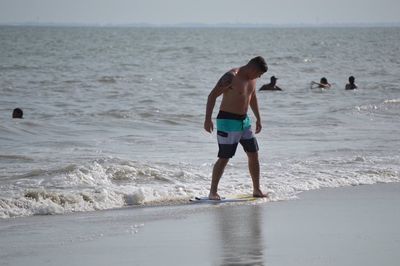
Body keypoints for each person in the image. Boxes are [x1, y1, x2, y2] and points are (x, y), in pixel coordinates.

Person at [204, 56, 268, 200]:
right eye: (259, 73)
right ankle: (212, 192)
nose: (259, 76)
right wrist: (207, 119)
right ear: (253, 68)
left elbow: (253, 97)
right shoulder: (231, 77)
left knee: (254, 153)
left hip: (244, 121)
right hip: (227, 121)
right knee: (224, 157)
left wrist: (258, 117)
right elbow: (212, 96)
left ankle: (256, 189)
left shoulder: (253, 79)